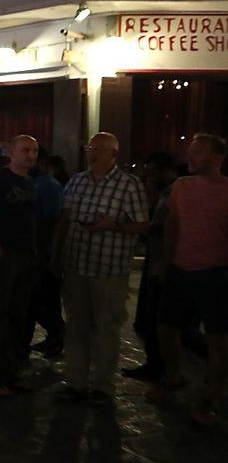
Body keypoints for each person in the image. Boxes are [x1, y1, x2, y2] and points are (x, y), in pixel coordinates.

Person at [53, 132, 149, 405]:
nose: (92, 153)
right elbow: (66, 218)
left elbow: (143, 225)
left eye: (99, 149)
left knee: (106, 328)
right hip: (76, 265)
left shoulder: (129, 185)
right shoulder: (77, 180)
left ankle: (102, 387)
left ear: (114, 154)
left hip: (109, 269)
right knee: (76, 327)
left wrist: (114, 225)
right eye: (90, 147)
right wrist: (56, 253)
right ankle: (75, 382)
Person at [147, 134, 228, 426]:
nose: (190, 158)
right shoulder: (182, 186)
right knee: (165, 326)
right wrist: (166, 263)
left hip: (215, 272)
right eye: (190, 152)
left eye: (198, 153)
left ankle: (213, 394)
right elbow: (172, 225)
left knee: (218, 338)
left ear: (217, 158)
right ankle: (174, 375)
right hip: (181, 269)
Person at [0, 134, 39, 397]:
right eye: (25, 150)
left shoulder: (30, 182)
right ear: (12, 151)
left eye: (34, 151)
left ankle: (9, 373)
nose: (31, 155)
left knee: (17, 317)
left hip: (26, 256)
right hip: (5, 256)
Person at [123, 151, 179, 382]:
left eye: (153, 171)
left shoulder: (176, 193)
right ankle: (157, 365)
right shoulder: (165, 193)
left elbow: (168, 229)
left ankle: (161, 368)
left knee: (159, 319)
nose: (149, 176)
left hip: (164, 262)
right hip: (157, 259)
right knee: (153, 317)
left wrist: (135, 227)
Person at [25, 154, 67, 359]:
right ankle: (54, 336)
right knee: (40, 298)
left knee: (44, 297)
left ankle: (58, 333)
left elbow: (51, 220)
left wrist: (48, 251)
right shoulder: (37, 183)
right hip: (38, 249)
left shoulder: (48, 185)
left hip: (43, 250)